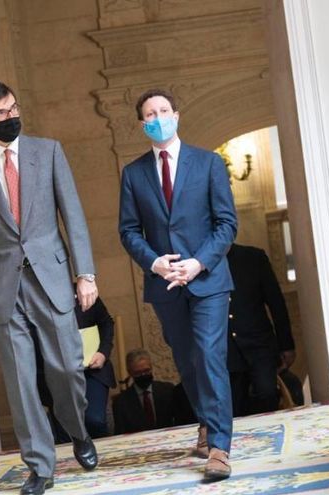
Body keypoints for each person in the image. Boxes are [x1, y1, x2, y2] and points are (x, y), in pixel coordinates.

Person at [0, 81, 99, 495]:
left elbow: (73, 215)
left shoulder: (48, 152)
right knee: (20, 381)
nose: (10, 117)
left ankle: (78, 432)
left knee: (67, 368)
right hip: (2, 285)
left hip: (51, 278)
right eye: (0, 114)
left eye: (13, 108)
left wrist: (85, 273)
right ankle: (40, 466)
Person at [118, 88, 237, 481]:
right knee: (186, 359)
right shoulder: (133, 174)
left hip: (208, 280)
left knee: (208, 354)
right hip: (164, 284)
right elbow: (129, 231)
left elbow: (226, 224)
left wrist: (197, 262)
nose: (158, 117)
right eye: (150, 114)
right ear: (142, 124)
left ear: (177, 115)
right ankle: (206, 420)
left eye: (164, 110)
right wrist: (155, 263)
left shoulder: (208, 163)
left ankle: (219, 446)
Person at [226, 243, 296, 417]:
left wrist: (286, 344)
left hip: (260, 345)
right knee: (235, 407)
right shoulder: (202, 263)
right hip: (227, 350)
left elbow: (276, 302)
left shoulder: (253, 257)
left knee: (267, 396)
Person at [37, 292, 116, 442]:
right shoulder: (36, 299)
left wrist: (103, 353)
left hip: (92, 371)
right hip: (56, 376)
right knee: (64, 430)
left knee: (95, 420)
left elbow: (106, 322)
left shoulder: (84, 292)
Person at [112, 349, 176, 434]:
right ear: (130, 372)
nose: (143, 375)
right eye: (138, 373)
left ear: (151, 368)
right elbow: (120, 433)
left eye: (146, 371)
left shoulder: (168, 390)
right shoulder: (121, 402)